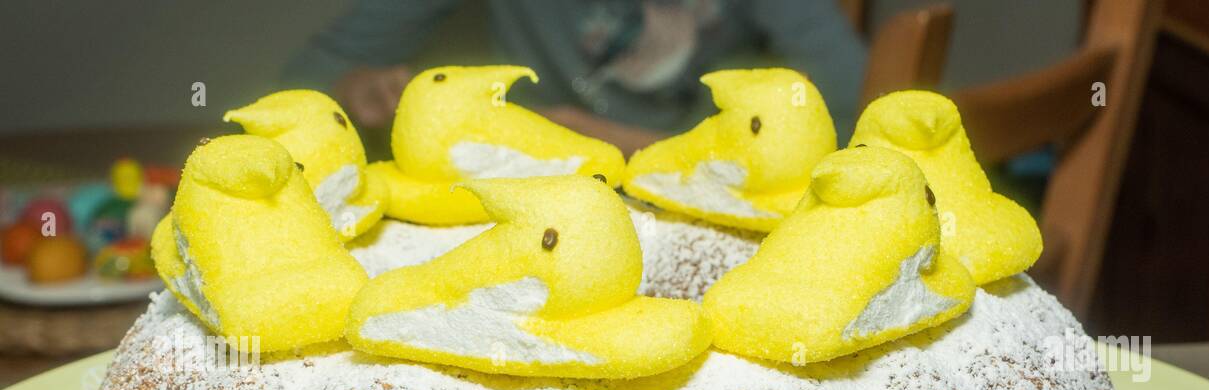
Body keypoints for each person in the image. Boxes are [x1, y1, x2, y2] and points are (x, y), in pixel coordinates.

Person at [283, 0, 868, 152]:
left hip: (705, 202)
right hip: (522, 202)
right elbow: (306, 80)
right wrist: (352, 93)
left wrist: (654, 153)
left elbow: (869, 112)